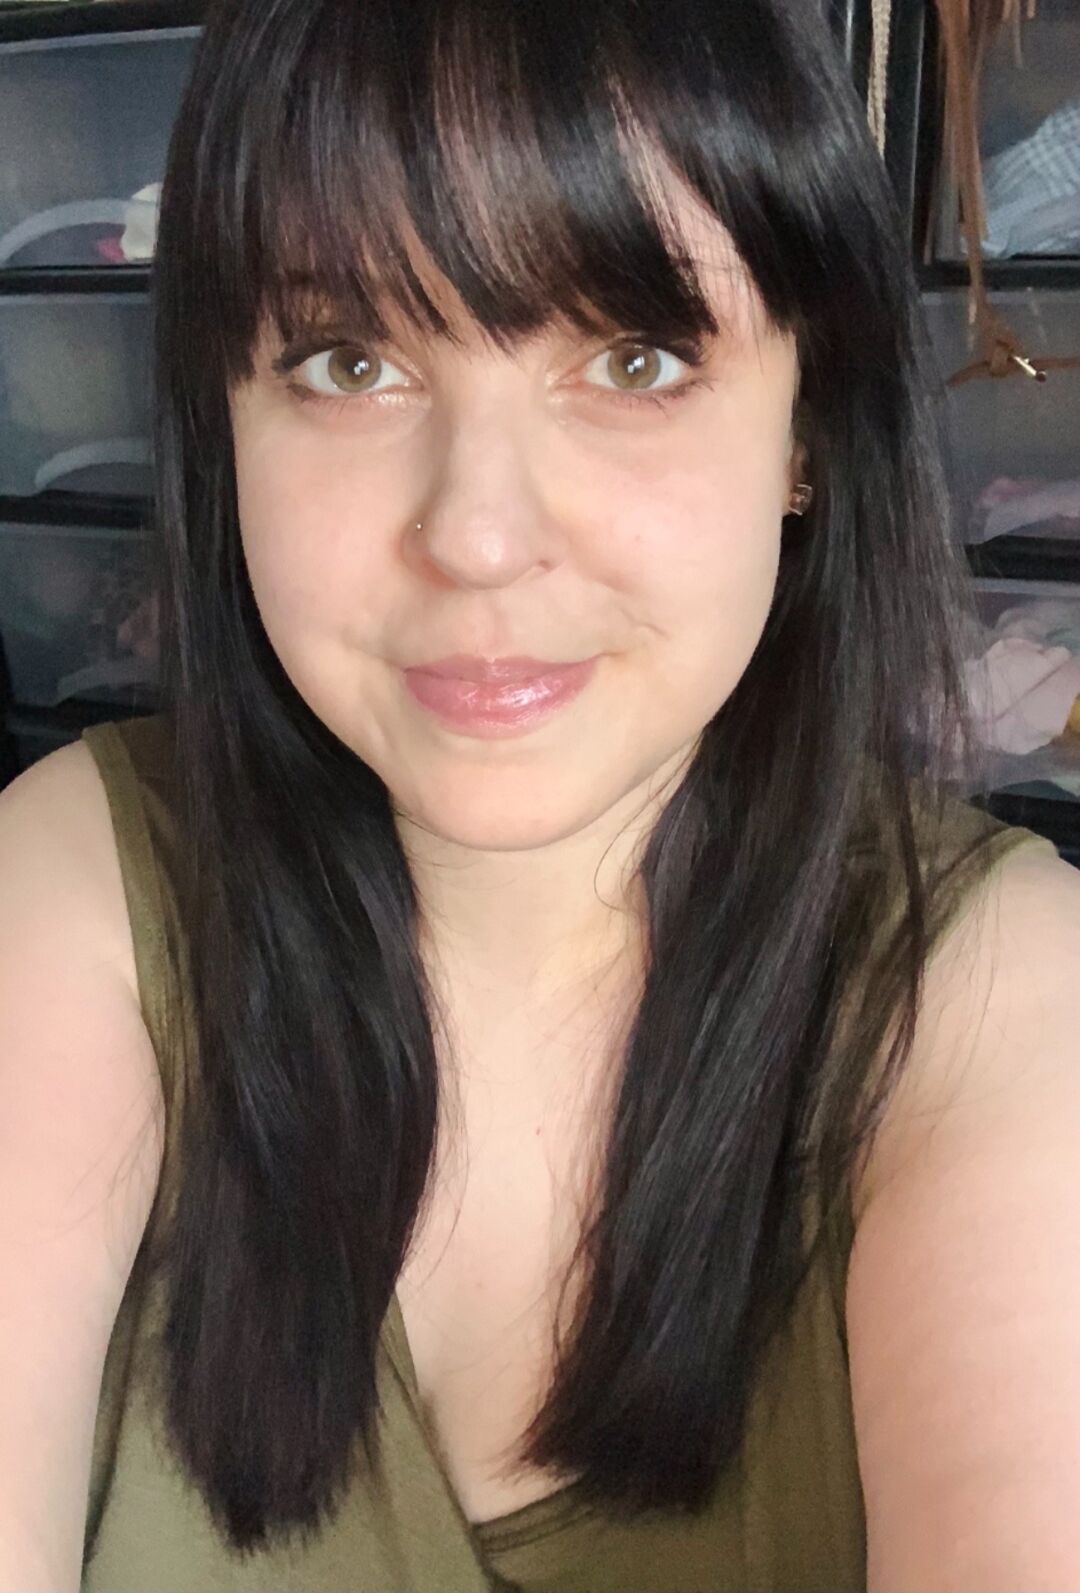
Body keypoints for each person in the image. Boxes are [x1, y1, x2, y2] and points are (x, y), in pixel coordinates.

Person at [2, 0, 1079, 1588]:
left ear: (806, 427)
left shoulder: (995, 996)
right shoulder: (78, 886)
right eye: (350, 360)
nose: (480, 536)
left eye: (632, 358)